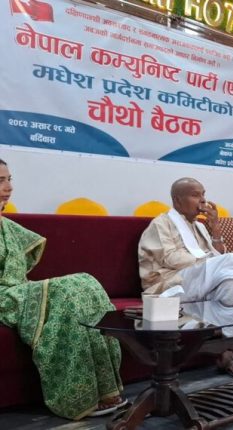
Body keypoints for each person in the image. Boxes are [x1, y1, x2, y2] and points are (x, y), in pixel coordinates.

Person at [0, 159, 125, 420]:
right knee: (63, 292)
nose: (9, 187)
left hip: (15, 289)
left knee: (85, 282)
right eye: (0, 181)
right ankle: (76, 396)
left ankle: (106, 388)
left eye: (9, 179)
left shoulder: (6, 226)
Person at [138, 178, 233, 379]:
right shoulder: (161, 224)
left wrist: (215, 227)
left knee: (232, 286)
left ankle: (227, 350)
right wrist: (209, 262)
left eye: (203, 194)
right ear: (177, 199)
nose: (203, 201)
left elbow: (216, 257)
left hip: (197, 280)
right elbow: (170, 258)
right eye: (195, 195)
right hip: (168, 284)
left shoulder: (199, 226)